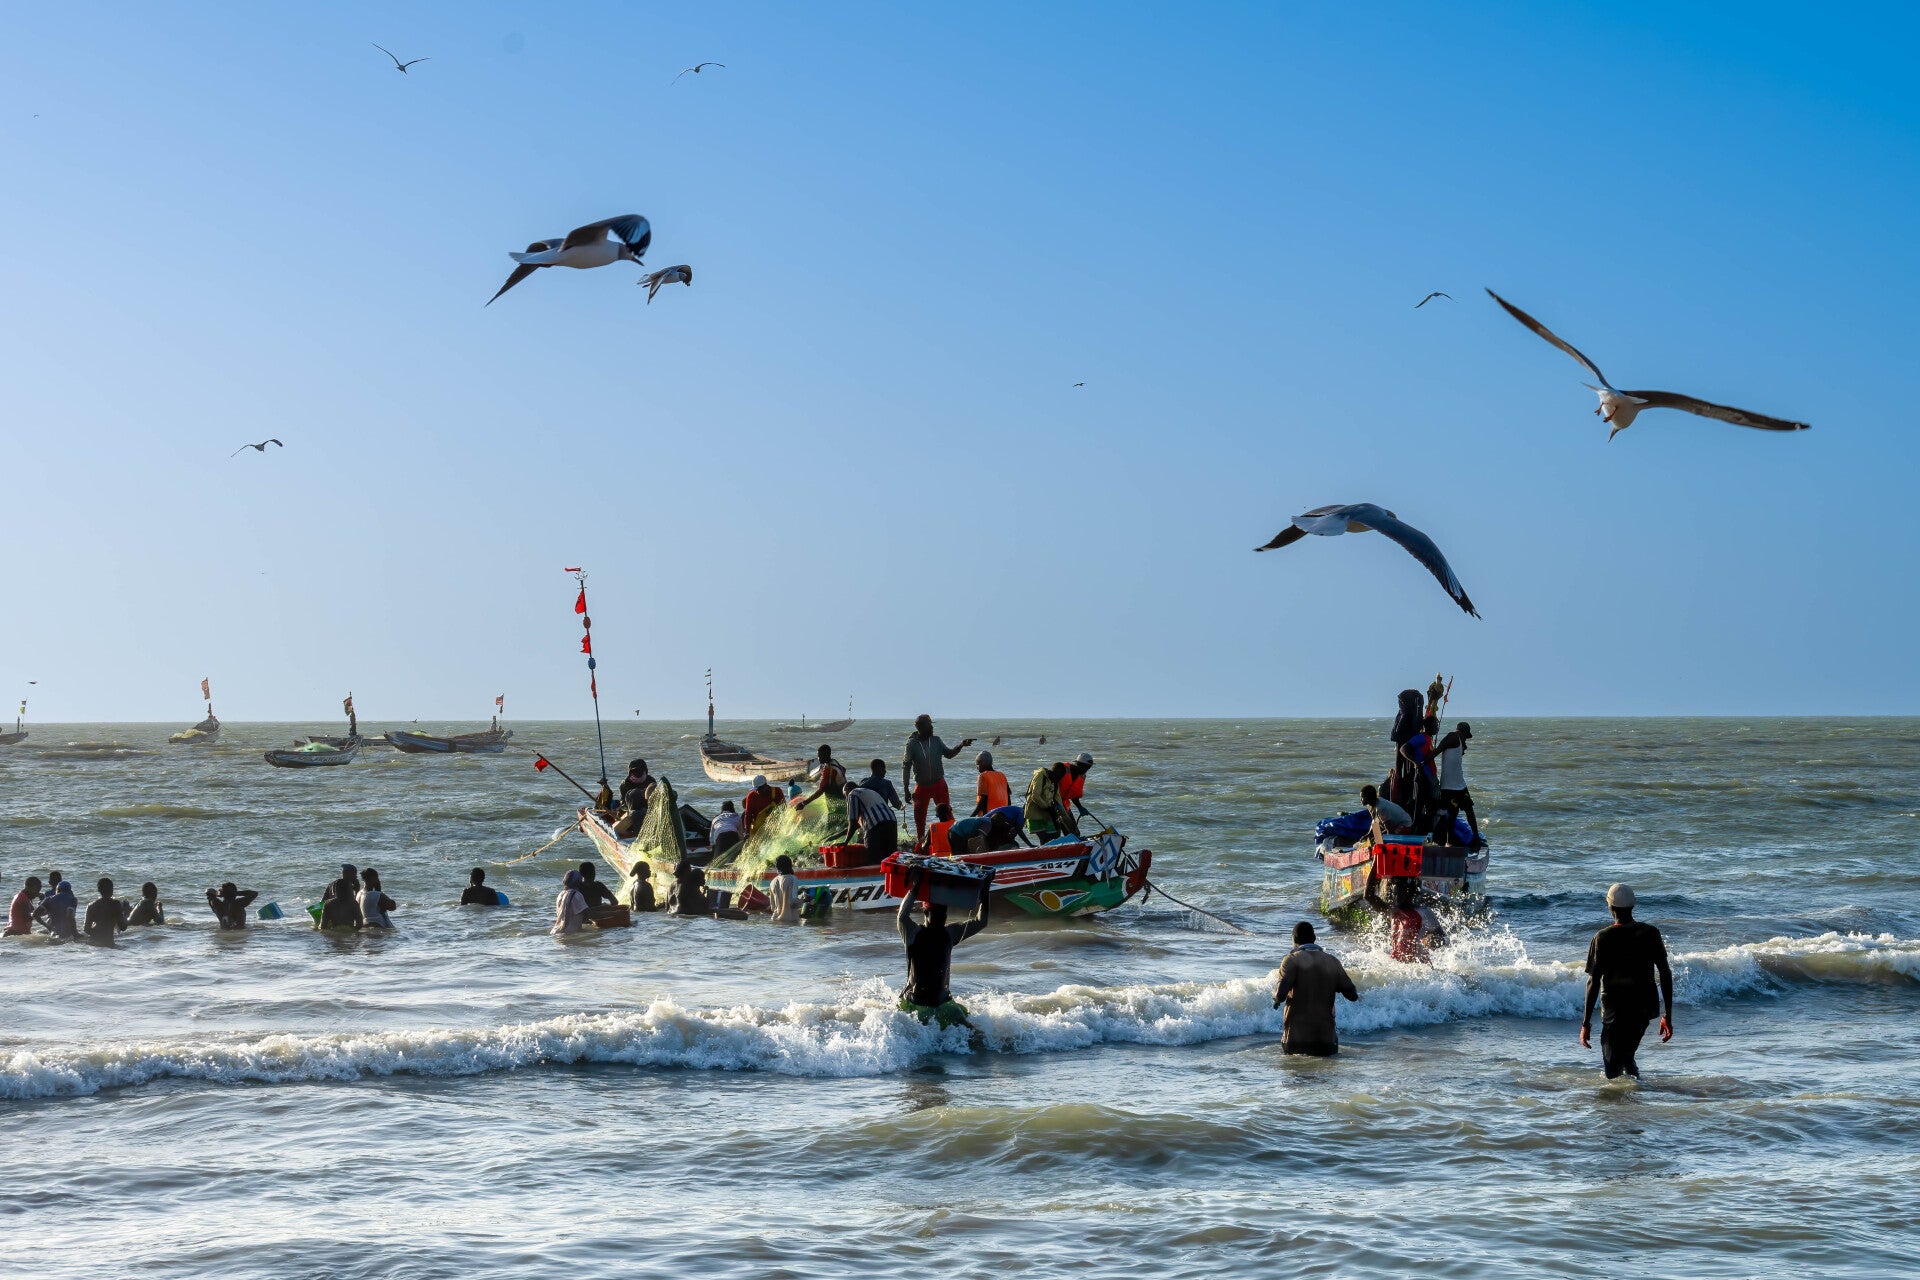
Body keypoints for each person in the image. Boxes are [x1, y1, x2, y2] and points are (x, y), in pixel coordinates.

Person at [1581, 883, 1675, 1080]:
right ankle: (1638, 1092)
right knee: (1627, 1055)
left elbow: (1593, 982)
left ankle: (1627, 1097)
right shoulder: (1650, 933)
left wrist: (1586, 1023)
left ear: (1610, 906)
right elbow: (1665, 973)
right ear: (1633, 905)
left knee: (1612, 1070)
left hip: (1614, 1012)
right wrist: (1667, 1015)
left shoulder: (1602, 937)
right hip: (1643, 1009)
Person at [895, 863, 991, 1028]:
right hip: (918, 1004)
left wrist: (984, 891)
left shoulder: (949, 933)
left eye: (944, 914)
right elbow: (902, 917)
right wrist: (915, 887)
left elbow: (981, 921)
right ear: (925, 913)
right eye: (937, 914)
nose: (942, 917)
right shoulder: (912, 933)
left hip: (943, 1003)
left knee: (975, 1032)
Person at [1271, 921, 1361, 1055]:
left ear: (1294, 939)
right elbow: (1352, 995)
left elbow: (1280, 995)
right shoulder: (1332, 961)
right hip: (1326, 1040)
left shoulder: (1291, 960)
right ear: (1314, 938)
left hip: (1296, 1039)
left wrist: (1274, 996)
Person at [902, 714, 976, 837]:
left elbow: (949, 754)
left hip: (939, 784)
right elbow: (906, 766)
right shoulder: (911, 744)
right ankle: (921, 843)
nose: (932, 727)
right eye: (929, 725)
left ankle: (954, 838)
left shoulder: (936, 740)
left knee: (947, 814)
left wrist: (961, 745)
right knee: (919, 819)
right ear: (921, 727)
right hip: (921, 786)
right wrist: (906, 788)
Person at [1364, 872, 1446, 963]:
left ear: (1411, 891)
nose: (1396, 893)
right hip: (1396, 965)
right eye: (1394, 888)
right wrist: (1376, 866)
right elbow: (1368, 896)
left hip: (1417, 966)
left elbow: (1441, 937)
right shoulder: (1392, 911)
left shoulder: (1423, 912)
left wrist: (1429, 940)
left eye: (1401, 889)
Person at [1433, 722, 1482, 848]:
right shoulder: (1452, 737)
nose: (1466, 739)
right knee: (1453, 813)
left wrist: (1462, 747)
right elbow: (1437, 751)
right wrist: (1422, 763)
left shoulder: (1459, 741)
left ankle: (1475, 838)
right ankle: (1449, 841)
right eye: (1465, 736)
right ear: (1461, 732)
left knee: (1468, 810)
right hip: (1449, 786)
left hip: (1459, 784)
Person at [841, 779, 900, 862]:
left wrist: (845, 842)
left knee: (872, 859)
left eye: (845, 795)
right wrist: (839, 834)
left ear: (847, 789)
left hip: (876, 827)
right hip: (892, 822)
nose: (846, 798)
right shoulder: (871, 792)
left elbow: (853, 822)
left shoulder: (852, 793)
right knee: (890, 859)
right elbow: (857, 824)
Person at [1024, 762, 1072, 844]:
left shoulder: (1055, 782)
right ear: (1052, 772)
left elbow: (1059, 802)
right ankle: (1043, 851)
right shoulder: (1040, 775)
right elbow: (1035, 796)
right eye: (1057, 777)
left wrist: (1067, 819)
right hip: (1034, 814)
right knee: (1045, 839)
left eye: (1059, 778)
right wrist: (1047, 807)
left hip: (1047, 815)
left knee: (1056, 835)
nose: (1057, 780)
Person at [791, 744, 846, 810]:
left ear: (825, 756)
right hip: (844, 797)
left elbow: (821, 790)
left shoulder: (829, 770)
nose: (818, 758)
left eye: (819, 756)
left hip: (837, 803)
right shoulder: (834, 762)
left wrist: (803, 803)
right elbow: (843, 769)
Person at [83, 877, 129, 947]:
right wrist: (126, 912)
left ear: (99, 890)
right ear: (111, 890)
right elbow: (123, 927)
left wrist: (99, 934)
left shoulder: (91, 906)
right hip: (108, 943)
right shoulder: (115, 904)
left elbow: (86, 929)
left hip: (93, 943)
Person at [318, 864, 363, 930]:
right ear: (347, 873)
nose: (356, 876)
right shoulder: (348, 887)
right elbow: (354, 903)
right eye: (354, 874)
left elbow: (322, 902)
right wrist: (357, 890)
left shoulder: (333, 884)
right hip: (345, 921)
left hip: (332, 919)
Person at [1059, 753, 1096, 832]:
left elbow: (1074, 795)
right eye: (1085, 766)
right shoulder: (1063, 770)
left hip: (1064, 805)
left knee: (1074, 832)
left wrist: (1080, 807)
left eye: (1089, 767)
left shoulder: (1082, 776)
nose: (1086, 770)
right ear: (1077, 764)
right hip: (1052, 804)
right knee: (1054, 833)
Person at [35, 873, 78, 940]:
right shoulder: (71, 898)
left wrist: (47, 927)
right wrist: (75, 933)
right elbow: (70, 916)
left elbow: (35, 914)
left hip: (53, 927)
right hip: (67, 931)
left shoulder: (48, 897)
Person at [972, 751, 1010, 816]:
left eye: (978, 764)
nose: (977, 767)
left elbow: (983, 800)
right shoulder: (1002, 775)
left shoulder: (983, 776)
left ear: (982, 764)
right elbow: (1008, 797)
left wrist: (972, 816)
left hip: (990, 815)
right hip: (1003, 814)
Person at [552, 869, 590, 934]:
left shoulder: (560, 894)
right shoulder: (577, 895)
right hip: (570, 932)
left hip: (555, 931)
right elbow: (587, 915)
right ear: (578, 881)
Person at [768, 854, 801, 925]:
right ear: (790, 865)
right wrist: (804, 900)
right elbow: (793, 902)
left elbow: (773, 907)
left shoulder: (772, 882)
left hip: (775, 921)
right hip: (789, 921)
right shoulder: (793, 879)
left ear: (777, 867)